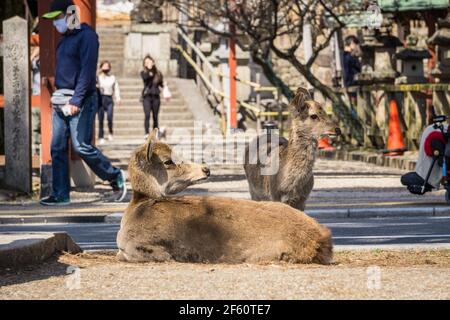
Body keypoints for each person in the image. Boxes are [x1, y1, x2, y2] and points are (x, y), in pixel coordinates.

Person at [40, 0, 126, 206]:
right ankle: (61, 194)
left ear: (70, 15)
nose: (56, 24)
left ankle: (114, 176)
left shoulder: (87, 37)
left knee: (81, 146)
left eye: (58, 18)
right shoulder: (64, 40)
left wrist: (76, 100)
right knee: (57, 147)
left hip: (82, 99)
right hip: (60, 99)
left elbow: (87, 72)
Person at [97, 60, 121, 145]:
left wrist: (118, 98)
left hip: (109, 98)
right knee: (101, 118)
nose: (106, 68)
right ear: (101, 67)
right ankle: (101, 136)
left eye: (107, 66)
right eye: (104, 66)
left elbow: (116, 88)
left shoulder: (112, 78)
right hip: (100, 98)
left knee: (110, 117)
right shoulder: (98, 78)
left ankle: (110, 132)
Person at [141, 55, 164, 138]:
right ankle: (146, 133)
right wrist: (149, 71)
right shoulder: (144, 72)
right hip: (147, 96)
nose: (148, 63)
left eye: (149, 61)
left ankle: (155, 132)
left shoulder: (158, 73)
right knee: (147, 114)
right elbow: (145, 79)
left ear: (153, 62)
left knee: (155, 116)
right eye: (146, 62)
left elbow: (161, 84)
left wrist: (164, 86)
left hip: (156, 96)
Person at [342, 35, 361, 105]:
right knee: (354, 105)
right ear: (352, 43)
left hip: (350, 82)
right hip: (351, 83)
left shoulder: (347, 56)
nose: (356, 47)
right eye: (355, 44)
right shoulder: (348, 56)